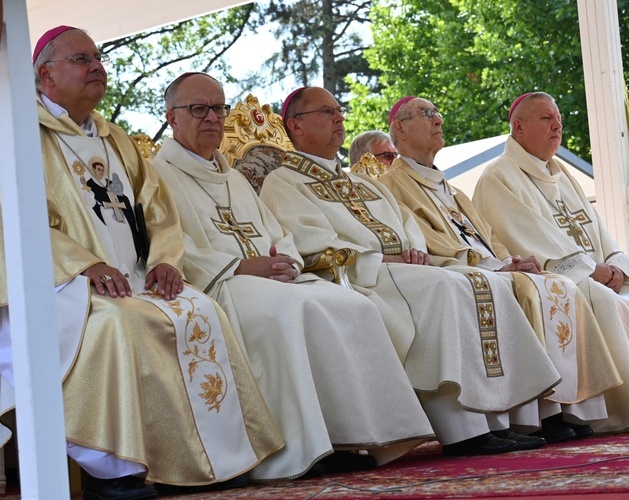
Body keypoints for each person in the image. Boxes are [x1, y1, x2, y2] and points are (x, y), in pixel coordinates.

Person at [1, 26, 286, 498]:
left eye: (98, 56)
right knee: (122, 325)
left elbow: (157, 210)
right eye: (81, 59)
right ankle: (119, 472)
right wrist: (86, 266)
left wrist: (165, 260)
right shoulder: (20, 135)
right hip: (61, 284)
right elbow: (16, 217)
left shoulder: (115, 139)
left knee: (199, 310)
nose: (96, 65)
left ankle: (211, 459)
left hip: (135, 279)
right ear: (44, 75)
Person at [260, 86, 575, 457]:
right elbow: (310, 240)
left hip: (401, 271)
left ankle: (495, 418)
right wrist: (380, 260)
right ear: (296, 126)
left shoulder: (361, 182)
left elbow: (405, 222)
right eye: (327, 112)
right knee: (448, 286)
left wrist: (413, 249)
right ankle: (463, 431)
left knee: (472, 281)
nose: (339, 118)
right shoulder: (283, 182)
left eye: (338, 110)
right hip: (361, 276)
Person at [151, 72, 433, 480]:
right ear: (172, 118)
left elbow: (279, 233)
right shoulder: (157, 175)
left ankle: (353, 435)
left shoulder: (233, 177)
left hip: (272, 278)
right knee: (295, 310)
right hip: (221, 284)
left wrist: (286, 260)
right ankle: (301, 447)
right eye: (198, 109)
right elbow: (167, 242)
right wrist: (240, 266)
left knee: (352, 304)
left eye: (218, 108)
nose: (211, 117)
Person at [380, 95, 623, 437]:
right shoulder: (391, 185)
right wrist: (494, 267)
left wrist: (509, 260)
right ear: (400, 129)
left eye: (437, 113)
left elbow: (487, 234)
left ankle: (546, 410)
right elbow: (423, 239)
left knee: (548, 283)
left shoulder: (451, 189)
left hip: (487, 266)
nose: (439, 121)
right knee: (521, 286)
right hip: (450, 271)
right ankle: (521, 416)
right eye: (427, 114)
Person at [473, 91, 629, 431]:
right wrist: (591, 270)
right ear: (519, 126)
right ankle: (622, 409)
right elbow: (526, 237)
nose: (557, 125)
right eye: (546, 119)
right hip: (552, 278)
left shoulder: (561, 173)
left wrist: (616, 265)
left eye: (558, 119)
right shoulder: (498, 176)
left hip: (596, 273)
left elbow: (597, 229)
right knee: (601, 299)